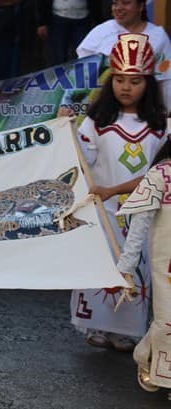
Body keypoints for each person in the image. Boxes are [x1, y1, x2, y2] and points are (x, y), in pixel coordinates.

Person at [64, 33, 168, 351]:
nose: (125, 87)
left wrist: (116, 190)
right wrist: (66, 128)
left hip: (143, 215)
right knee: (102, 261)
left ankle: (126, 329)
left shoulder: (161, 127)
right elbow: (81, 159)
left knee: (138, 266)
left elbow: (159, 174)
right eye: (119, 79)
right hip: (103, 210)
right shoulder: (96, 122)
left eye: (134, 81)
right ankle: (96, 325)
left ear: (148, 83)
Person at [116, 137, 171, 394]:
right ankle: (158, 368)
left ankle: (148, 356)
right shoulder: (161, 174)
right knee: (167, 320)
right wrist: (127, 265)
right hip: (167, 266)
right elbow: (138, 225)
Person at [76, 0, 171, 109]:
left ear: (140, 6)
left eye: (125, 3)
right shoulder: (100, 32)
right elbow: (81, 75)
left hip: (144, 109)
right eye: (115, 3)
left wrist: (166, 111)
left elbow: (165, 79)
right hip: (104, 108)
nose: (118, 8)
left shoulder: (158, 36)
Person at [36, 0, 99, 65]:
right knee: (58, 57)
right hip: (58, 18)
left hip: (83, 19)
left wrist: (97, 20)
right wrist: (42, 22)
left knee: (85, 55)